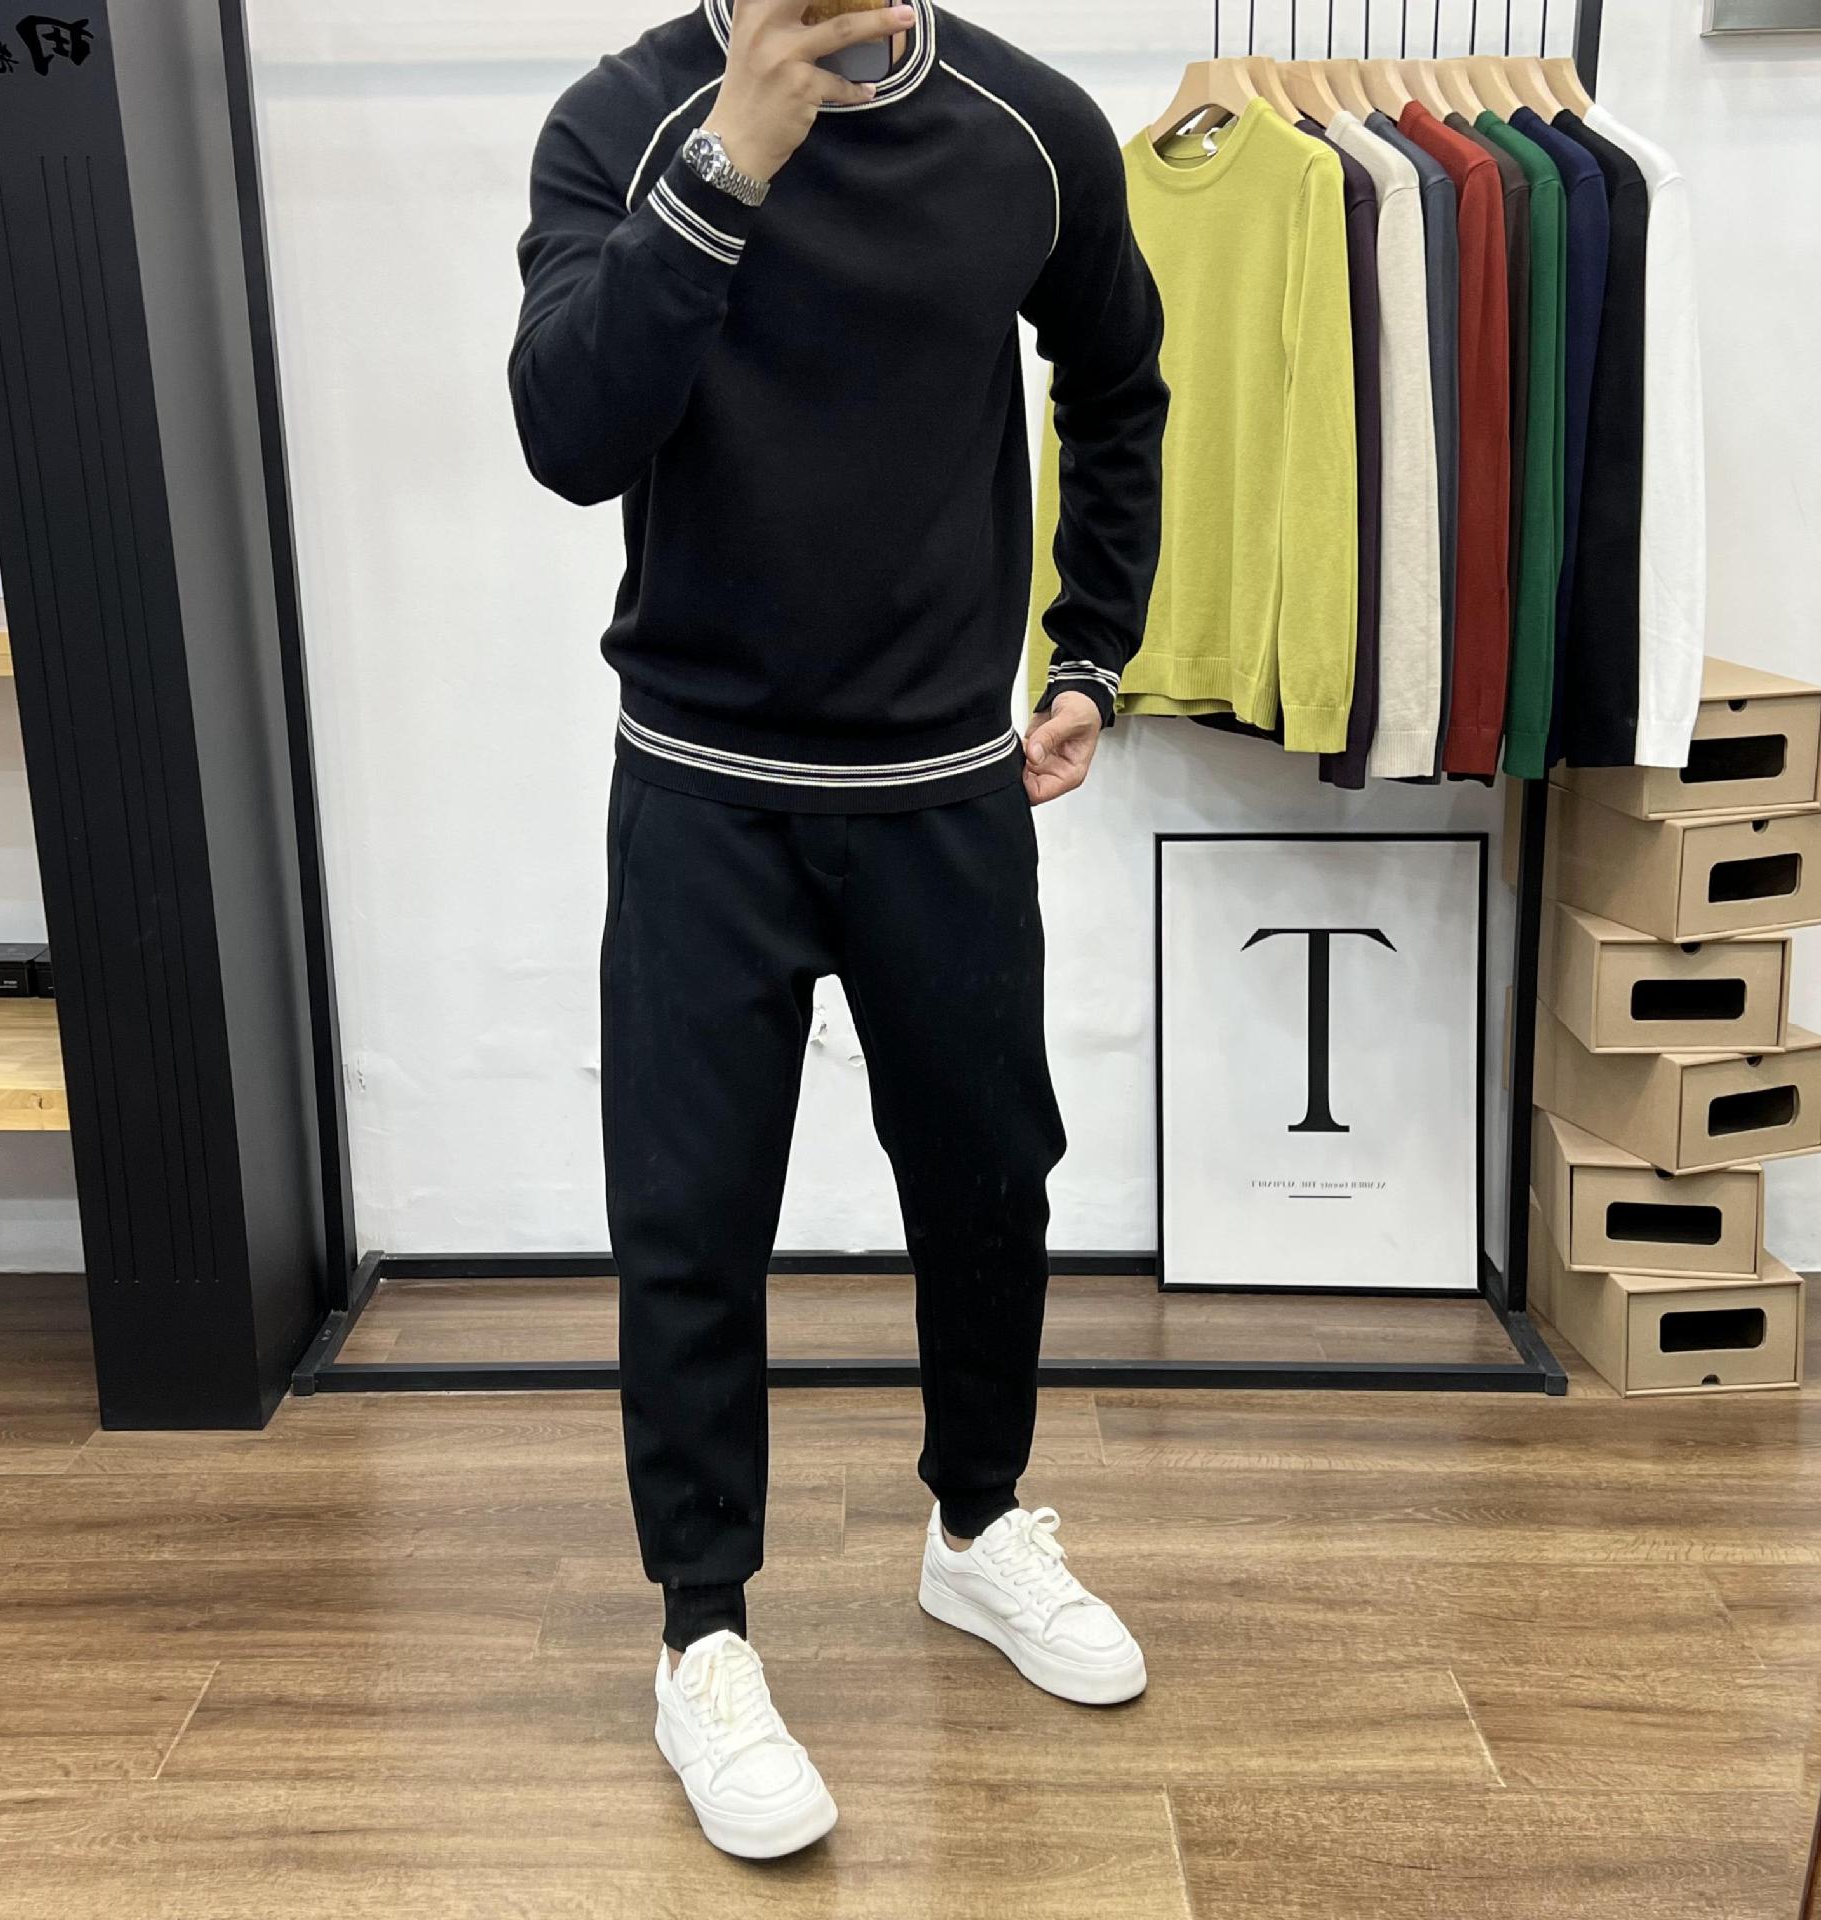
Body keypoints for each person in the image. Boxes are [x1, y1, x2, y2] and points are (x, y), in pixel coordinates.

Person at [510, 0, 1167, 1858]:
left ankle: (979, 1523)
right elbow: (569, 433)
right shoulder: (624, 122)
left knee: (990, 1180)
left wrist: (1091, 651)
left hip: (945, 786)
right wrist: (731, 163)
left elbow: (1118, 383)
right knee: (690, 1220)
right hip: (702, 785)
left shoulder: (1030, 125)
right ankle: (701, 1635)